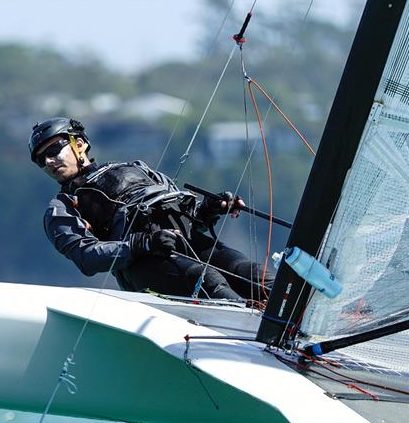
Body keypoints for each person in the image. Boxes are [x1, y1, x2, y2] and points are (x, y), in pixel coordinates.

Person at [30, 117, 274, 302]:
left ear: (79, 143)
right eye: (41, 160)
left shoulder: (136, 168)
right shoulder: (61, 207)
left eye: (53, 150)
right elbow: (86, 257)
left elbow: (190, 217)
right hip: (142, 266)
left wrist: (210, 209)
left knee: (254, 275)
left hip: (187, 243)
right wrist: (141, 244)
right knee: (207, 280)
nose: (49, 161)